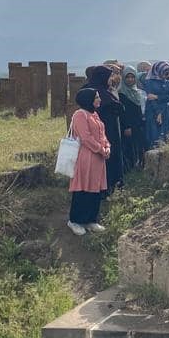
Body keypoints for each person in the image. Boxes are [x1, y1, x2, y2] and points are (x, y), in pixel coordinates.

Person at [67, 88, 110, 236]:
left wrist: (107, 147)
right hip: (86, 157)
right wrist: (100, 149)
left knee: (95, 188)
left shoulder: (94, 114)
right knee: (83, 188)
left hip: (98, 158)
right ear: (88, 99)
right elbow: (85, 138)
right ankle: (75, 220)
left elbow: (102, 134)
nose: (99, 99)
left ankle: (91, 219)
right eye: (96, 97)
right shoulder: (80, 115)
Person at [87, 65, 124, 193]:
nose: (111, 79)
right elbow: (113, 106)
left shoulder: (106, 90)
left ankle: (114, 184)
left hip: (111, 128)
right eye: (109, 77)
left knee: (112, 155)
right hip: (103, 130)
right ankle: (105, 187)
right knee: (106, 157)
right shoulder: (95, 92)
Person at [143, 61, 169, 150]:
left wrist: (157, 97)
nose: (168, 75)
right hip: (152, 111)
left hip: (166, 110)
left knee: (166, 134)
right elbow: (150, 98)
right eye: (166, 73)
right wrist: (158, 113)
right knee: (154, 135)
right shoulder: (149, 82)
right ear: (159, 70)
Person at [119, 66, 146, 171]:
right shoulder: (121, 93)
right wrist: (127, 126)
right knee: (129, 146)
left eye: (132, 77)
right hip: (128, 125)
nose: (130, 79)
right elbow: (122, 113)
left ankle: (139, 165)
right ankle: (129, 168)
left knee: (139, 145)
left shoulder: (137, 92)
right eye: (127, 77)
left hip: (138, 124)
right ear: (123, 79)